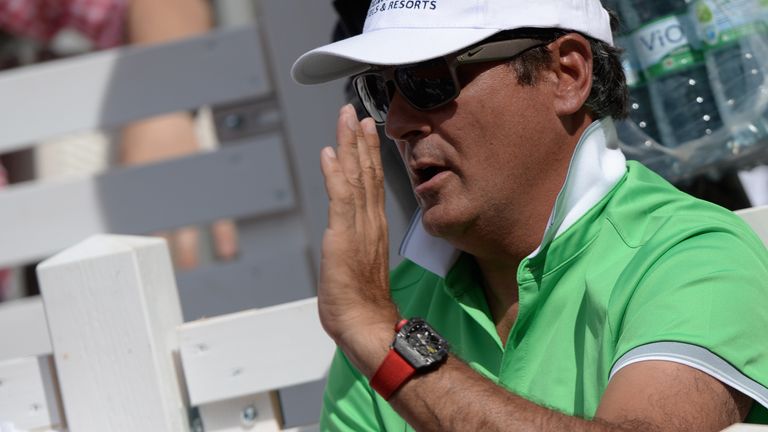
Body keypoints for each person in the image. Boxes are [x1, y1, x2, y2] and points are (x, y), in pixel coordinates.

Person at [291, 0, 768, 430]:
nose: (396, 122)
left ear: (567, 74)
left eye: (428, 79)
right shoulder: (390, 306)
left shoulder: (693, 256)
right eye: (379, 89)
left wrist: (384, 343)